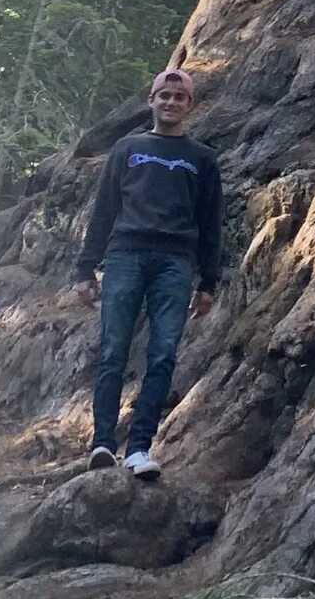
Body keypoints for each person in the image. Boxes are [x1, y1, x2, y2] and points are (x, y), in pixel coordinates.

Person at [73, 64, 221, 477]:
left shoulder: (202, 159)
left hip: (175, 264)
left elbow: (211, 221)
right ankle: (102, 444)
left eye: (180, 97)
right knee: (112, 350)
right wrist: (85, 269)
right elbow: (103, 210)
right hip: (125, 255)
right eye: (164, 96)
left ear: (190, 105)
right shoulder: (127, 149)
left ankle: (139, 449)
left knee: (162, 355)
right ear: (151, 101)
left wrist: (209, 280)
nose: (171, 102)